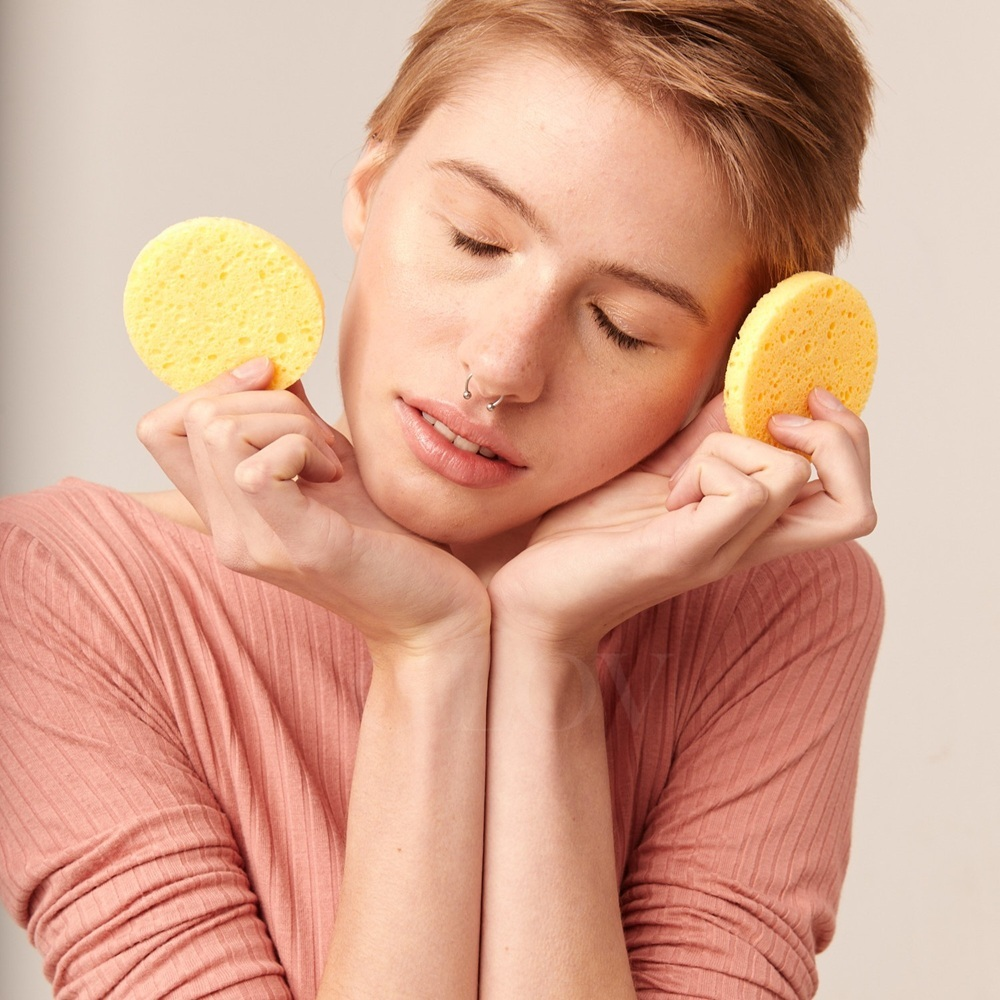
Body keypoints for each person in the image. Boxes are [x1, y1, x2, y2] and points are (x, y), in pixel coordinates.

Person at [0, 0, 883, 997]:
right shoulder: (55, 590)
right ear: (369, 189)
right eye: (474, 241)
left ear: (729, 368)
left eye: (620, 325)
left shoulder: (778, 609)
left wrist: (545, 648)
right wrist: (427, 647)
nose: (501, 367)